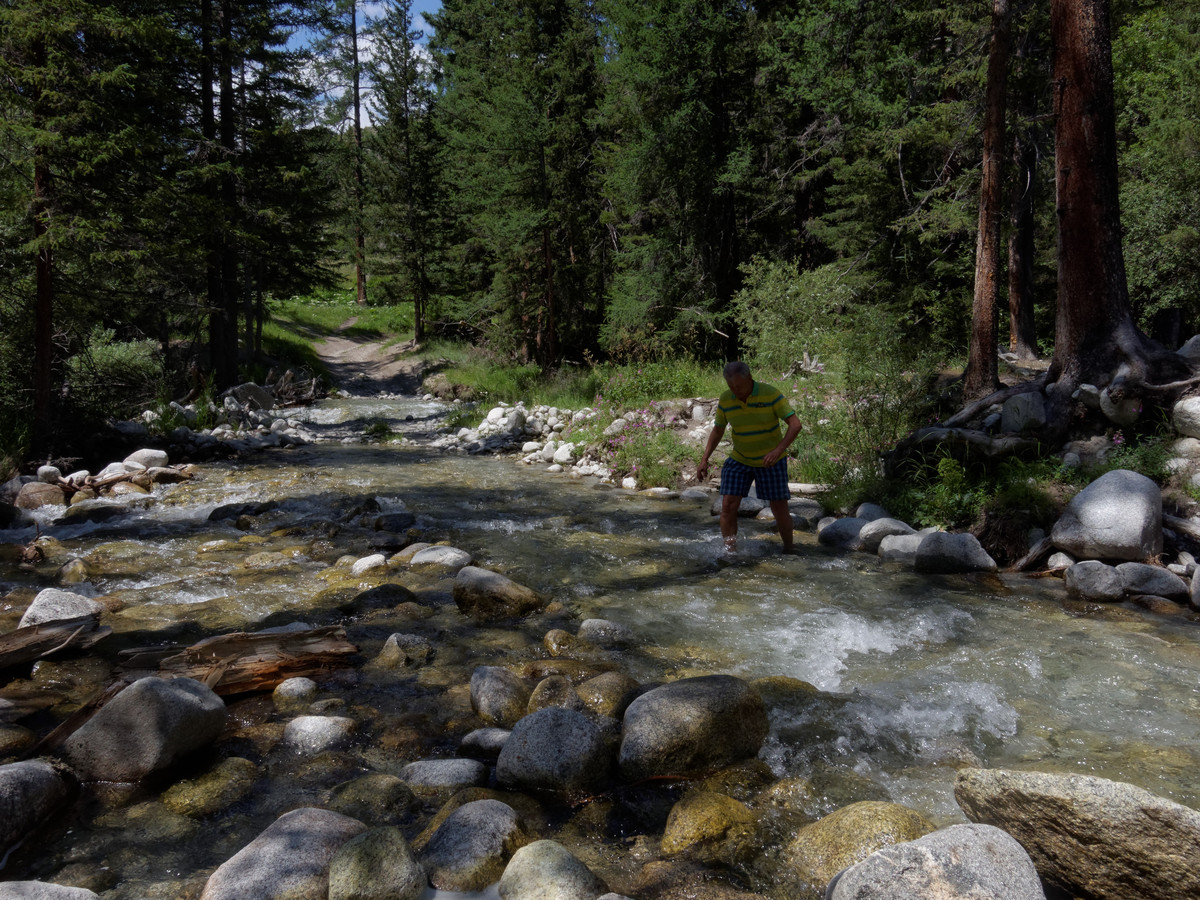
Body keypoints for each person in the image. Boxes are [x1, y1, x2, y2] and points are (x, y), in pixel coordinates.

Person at [696, 361, 802, 552]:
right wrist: (704, 459)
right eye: (731, 387)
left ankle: (789, 549)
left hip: (771, 461)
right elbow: (718, 430)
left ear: (750, 378)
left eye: (739, 386)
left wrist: (778, 450)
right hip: (740, 459)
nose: (736, 391)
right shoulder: (726, 399)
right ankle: (730, 552)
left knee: (779, 508)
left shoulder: (770, 394)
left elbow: (795, 424)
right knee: (727, 506)